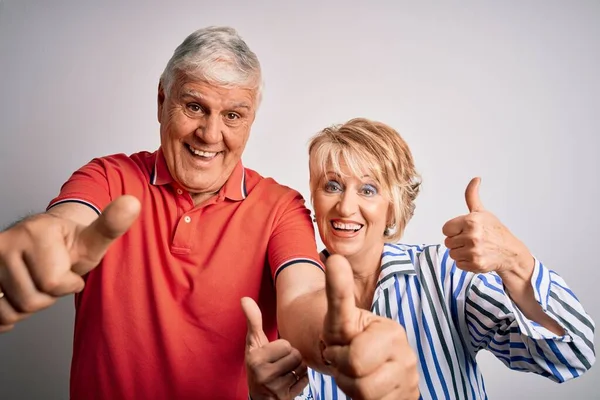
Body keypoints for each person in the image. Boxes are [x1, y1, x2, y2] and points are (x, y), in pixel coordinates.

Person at [0, 27, 420, 399]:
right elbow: (64, 226)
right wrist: (35, 244)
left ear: (251, 121)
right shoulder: (107, 178)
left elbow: (301, 299)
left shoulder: (280, 207)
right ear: (163, 100)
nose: (210, 134)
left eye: (233, 115)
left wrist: (339, 340)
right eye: (195, 106)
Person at [244, 118, 595, 399]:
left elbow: (573, 355)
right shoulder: (291, 302)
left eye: (368, 189)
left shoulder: (443, 274)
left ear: (394, 205)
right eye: (332, 186)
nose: (345, 206)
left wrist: (517, 263)